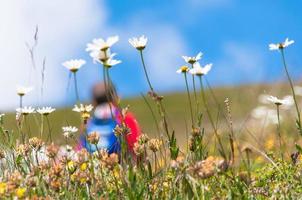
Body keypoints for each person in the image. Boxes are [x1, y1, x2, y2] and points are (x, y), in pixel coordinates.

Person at [77, 82, 141, 154]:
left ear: (94, 102)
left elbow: (80, 150)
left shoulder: (88, 122)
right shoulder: (124, 117)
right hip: (118, 162)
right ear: (116, 97)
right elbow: (136, 147)